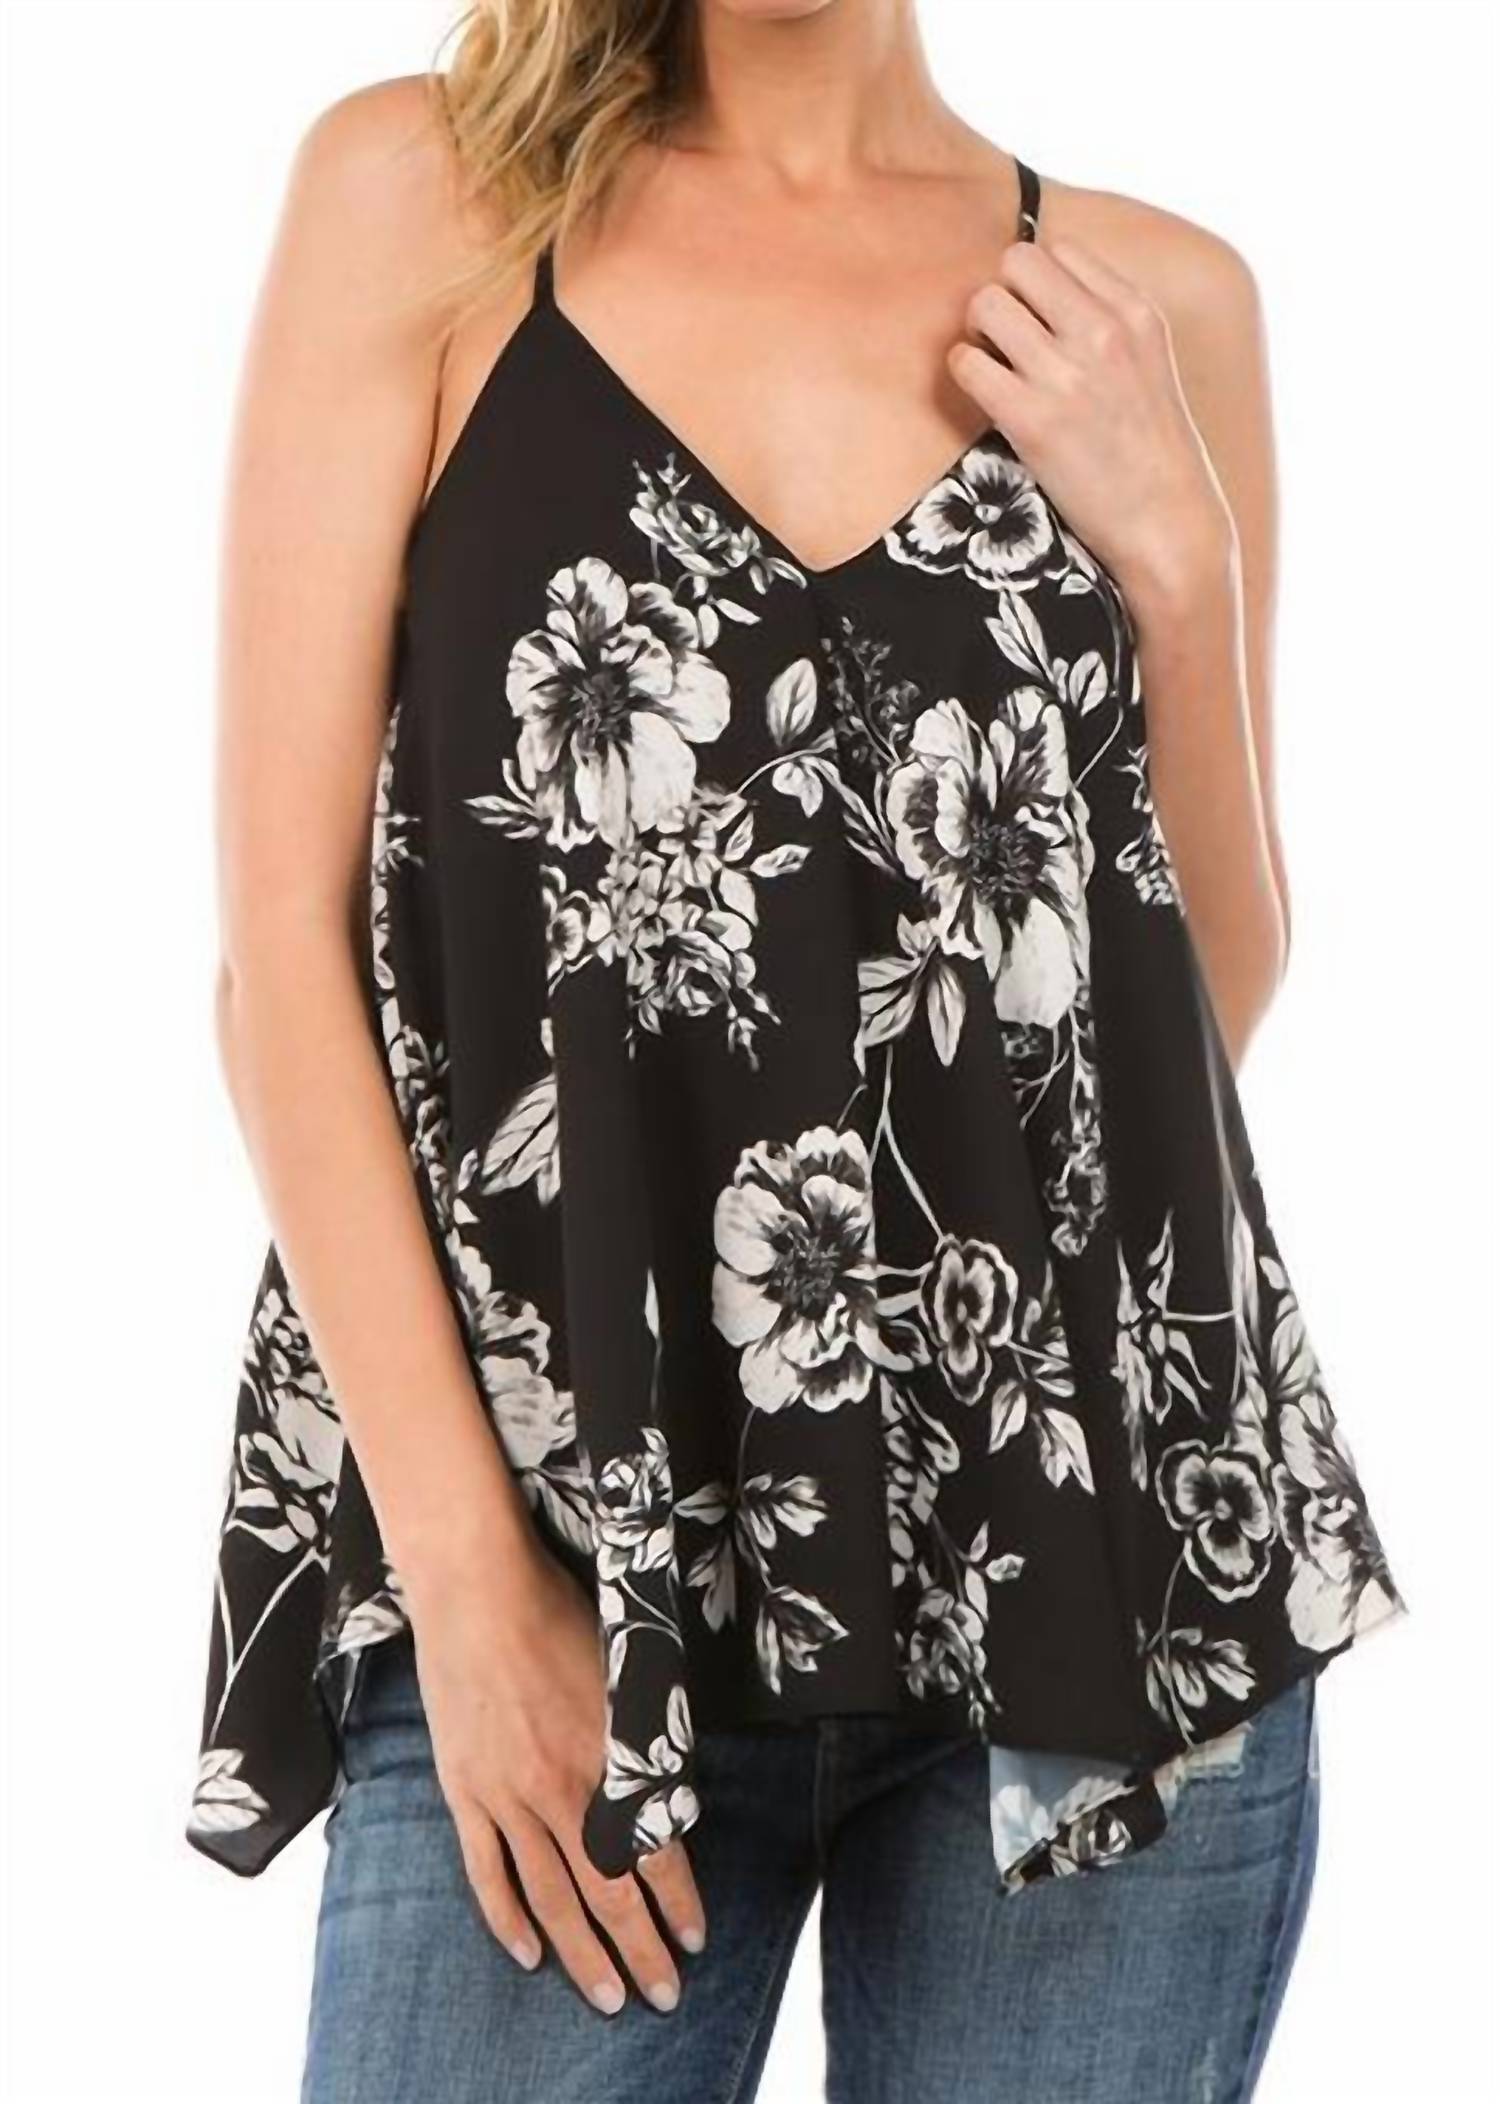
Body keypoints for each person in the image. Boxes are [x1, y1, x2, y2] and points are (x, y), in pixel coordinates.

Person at [189, 2, 1406, 2097]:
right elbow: (278, 957)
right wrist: (474, 1597)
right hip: (567, 1556)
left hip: (1095, 1572)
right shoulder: (435, 203)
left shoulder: (1147, 302)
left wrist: (1181, 571)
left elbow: (1191, 1000)